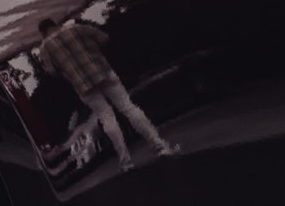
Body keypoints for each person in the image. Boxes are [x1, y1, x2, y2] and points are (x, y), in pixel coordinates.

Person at [36, 16, 180, 171]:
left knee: (106, 118)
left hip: (82, 85)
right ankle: (159, 145)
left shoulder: (45, 47)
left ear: (43, 32)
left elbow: (52, 71)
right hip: (103, 72)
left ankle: (126, 161)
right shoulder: (76, 28)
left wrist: (67, 70)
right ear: (55, 24)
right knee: (128, 107)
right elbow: (104, 38)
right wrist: (91, 50)